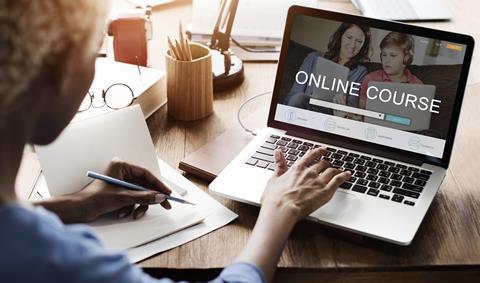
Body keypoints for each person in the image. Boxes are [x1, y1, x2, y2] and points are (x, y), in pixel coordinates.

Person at [0, 1, 351, 283]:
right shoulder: (59, 262)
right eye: (94, 53)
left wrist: (75, 205)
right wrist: (280, 210)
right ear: (56, 72)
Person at [284, 23, 371, 119]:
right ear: (340, 37)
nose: (353, 45)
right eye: (349, 37)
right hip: (303, 106)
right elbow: (294, 92)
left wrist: (344, 108)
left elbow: (351, 106)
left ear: (363, 45)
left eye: (359, 41)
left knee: (298, 99)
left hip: (330, 115)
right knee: (298, 98)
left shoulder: (360, 72)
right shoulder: (313, 58)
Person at [358, 32, 423, 113]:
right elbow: (361, 111)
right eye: (384, 55)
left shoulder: (418, 86)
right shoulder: (370, 79)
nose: (387, 60)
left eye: (393, 55)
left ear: (406, 58)